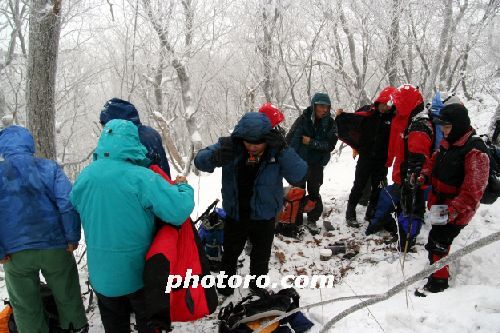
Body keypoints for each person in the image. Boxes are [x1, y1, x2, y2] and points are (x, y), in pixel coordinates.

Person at [70, 119, 194, 332]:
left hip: (102, 277)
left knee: (115, 326)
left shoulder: (85, 177)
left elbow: (74, 206)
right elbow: (178, 211)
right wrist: (183, 188)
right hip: (138, 276)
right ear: (133, 143)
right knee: (148, 323)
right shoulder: (141, 178)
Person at [194, 112, 307, 296]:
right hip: (236, 214)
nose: (253, 148)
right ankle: (225, 286)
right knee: (230, 254)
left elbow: (299, 175)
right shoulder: (232, 147)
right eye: (249, 143)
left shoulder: (275, 150)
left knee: (261, 256)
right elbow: (200, 161)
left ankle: (257, 284)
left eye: (258, 143)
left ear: (268, 139)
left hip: (265, 216)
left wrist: (284, 150)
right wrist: (214, 157)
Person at [0, 125, 88, 333]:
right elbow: (66, 203)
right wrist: (72, 237)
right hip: (55, 246)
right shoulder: (49, 168)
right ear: (30, 144)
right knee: (67, 294)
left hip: (14, 254)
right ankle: (76, 328)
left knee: (25, 306)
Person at [419, 103, 489, 293]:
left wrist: (453, 210)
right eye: (442, 127)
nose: (444, 131)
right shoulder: (449, 142)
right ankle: (434, 269)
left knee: (440, 242)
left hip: (457, 209)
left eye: (447, 127)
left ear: (458, 125)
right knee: (436, 238)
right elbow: (434, 161)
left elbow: (473, 191)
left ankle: (438, 284)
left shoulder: (476, 151)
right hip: (440, 203)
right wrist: (424, 176)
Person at [366, 85, 434, 251]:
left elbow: (418, 158)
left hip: (409, 178)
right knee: (406, 206)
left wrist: (410, 178)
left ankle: (404, 241)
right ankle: (402, 236)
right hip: (405, 174)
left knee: (406, 206)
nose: (394, 106)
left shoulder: (418, 125)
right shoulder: (412, 118)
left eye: (398, 102)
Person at [336, 86, 396, 227]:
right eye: (382, 104)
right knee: (359, 185)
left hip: (381, 160)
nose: (383, 108)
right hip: (366, 157)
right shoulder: (368, 114)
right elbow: (353, 120)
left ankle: (371, 213)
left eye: (387, 105)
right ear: (378, 103)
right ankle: (350, 213)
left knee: (377, 188)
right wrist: (341, 116)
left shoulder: (393, 120)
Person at [286, 92, 338, 232]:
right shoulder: (303, 119)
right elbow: (292, 139)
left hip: (316, 163)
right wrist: (289, 160)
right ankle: (295, 219)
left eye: (327, 106)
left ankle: (312, 219)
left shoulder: (331, 124)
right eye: (321, 106)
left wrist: (311, 142)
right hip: (300, 162)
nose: (325, 110)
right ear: (314, 106)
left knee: (314, 191)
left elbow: (329, 145)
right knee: (298, 191)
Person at [99, 97, 171, 177]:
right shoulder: (151, 133)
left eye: (104, 123)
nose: (104, 128)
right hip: (162, 184)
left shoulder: (125, 140)